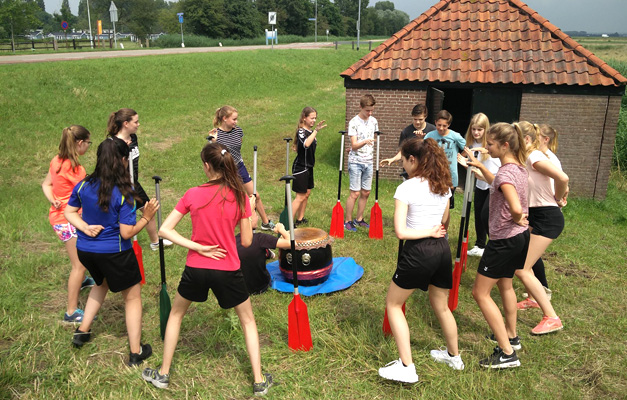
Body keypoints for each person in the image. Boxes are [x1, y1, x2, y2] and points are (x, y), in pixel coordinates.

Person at [142, 143, 273, 396]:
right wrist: (250, 216)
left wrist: (197, 247)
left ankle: (163, 374)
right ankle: (259, 381)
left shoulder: (192, 194)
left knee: (176, 315)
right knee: (247, 321)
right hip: (228, 268)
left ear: (206, 166)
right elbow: (247, 241)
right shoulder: (240, 196)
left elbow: (164, 230)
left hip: (196, 267)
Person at [65, 137, 158, 367]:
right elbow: (127, 233)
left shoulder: (83, 185)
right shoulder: (125, 193)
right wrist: (146, 217)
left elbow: (69, 212)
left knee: (101, 284)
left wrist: (84, 228)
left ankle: (82, 332)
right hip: (115, 253)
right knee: (132, 298)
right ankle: (136, 352)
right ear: (124, 160)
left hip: (85, 250)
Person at [378, 137, 463, 385]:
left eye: (403, 161)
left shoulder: (406, 188)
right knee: (442, 306)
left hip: (419, 251)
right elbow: (444, 221)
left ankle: (407, 367)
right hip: (442, 250)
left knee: (393, 304)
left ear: (413, 160)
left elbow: (401, 232)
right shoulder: (443, 185)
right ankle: (454, 357)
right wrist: (433, 230)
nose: (403, 165)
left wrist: (427, 231)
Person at [466, 122, 529, 369]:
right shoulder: (517, 168)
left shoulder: (505, 172)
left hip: (503, 240)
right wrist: (481, 167)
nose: (487, 147)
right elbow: (501, 186)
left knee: (479, 293)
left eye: (490, 144)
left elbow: (515, 206)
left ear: (504, 145)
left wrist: (516, 215)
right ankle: (511, 336)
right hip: (518, 238)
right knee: (505, 284)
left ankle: (506, 353)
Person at [514, 122, 567, 335]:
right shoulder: (527, 157)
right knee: (524, 257)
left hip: (547, 217)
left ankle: (552, 317)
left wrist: (558, 197)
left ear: (526, 140)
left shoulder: (534, 156)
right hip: (536, 215)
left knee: (521, 268)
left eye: (515, 139)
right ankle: (533, 298)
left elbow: (562, 177)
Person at [42, 125, 96, 323]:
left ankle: (82, 281)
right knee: (78, 265)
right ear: (80, 143)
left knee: (81, 258)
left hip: (58, 217)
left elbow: (46, 184)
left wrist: (53, 199)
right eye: (88, 143)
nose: (88, 146)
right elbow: (87, 194)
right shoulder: (75, 169)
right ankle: (71, 312)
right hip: (68, 220)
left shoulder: (56, 161)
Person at [107, 108, 172, 251]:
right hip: (119, 185)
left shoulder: (133, 138)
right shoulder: (112, 144)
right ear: (126, 123)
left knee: (149, 210)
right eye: (135, 122)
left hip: (133, 183)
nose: (138, 124)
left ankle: (155, 242)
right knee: (119, 217)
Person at [210, 105, 275, 231]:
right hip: (225, 170)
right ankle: (225, 226)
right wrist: (213, 142)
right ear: (224, 118)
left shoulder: (238, 130)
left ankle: (266, 223)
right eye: (234, 119)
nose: (236, 122)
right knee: (228, 199)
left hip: (239, 166)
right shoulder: (216, 134)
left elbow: (238, 146)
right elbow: (213, 154)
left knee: (255, 195)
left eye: (236, 119)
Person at [456, 113, 500, 257]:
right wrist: (465, 164)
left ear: (486, 129)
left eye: (479, 130)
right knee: (479, 214)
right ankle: (480, 245)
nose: (476, 132)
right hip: (480, 183)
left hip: (493, 182)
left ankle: (494, 244)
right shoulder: (471, 144)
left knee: (487, 215)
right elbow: (469, 163)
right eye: (474, 129)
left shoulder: (491, 144)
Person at [344, 94, 378, 232]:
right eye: (367, 110)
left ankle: (359, 219)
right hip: (356, 162)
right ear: (360, 107)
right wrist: (364, 142)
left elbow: (374, 139)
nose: (369, 113)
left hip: (369, 161)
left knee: (366, 192)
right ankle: (347, 221)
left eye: (371, 110)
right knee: (355, 193)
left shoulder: (374, 121)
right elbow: (354, 145)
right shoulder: (353, 122)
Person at [291, 106, 327, 225]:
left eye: (315, 118)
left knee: (306, 194)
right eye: (312, 118)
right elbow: (306, 144)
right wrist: (316, 131)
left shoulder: (310, 132)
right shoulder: (301, 131)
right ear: (304, 118)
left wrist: (314, 132)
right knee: (300, 197)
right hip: (301, 167)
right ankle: (288, 223)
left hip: (309, 167)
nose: (314, 120)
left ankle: (300, 219)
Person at [236, 217, 290, 295]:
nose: (257, 217)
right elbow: (291, 244)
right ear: (249, 219)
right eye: (255, 213)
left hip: (240, 288)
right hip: (261, 286)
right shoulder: (260, 238)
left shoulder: (232, 241)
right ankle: (267, 252)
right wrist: (281, 229)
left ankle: (267, 253)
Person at [425, 110, 465, 211]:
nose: (441, 128)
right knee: (433, 203)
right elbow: (423, 150)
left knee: (447, 205)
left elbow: (467, 148)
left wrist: (460, 157)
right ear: (435, 122)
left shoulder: (455, 136)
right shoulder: (430, 136)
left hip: (450, 176)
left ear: (449, 125)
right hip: (434, 174)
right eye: (439, 125)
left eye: (444, 126)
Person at [380, 104, 436, 175]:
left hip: (426, 170)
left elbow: (434, 150)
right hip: (409, 171)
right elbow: (403, 151)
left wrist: (422, 139)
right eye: (415, 119)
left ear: (425, 116)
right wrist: (392, 159)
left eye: (420, 119)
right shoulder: (406, 131)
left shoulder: (432, 130)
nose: (417, 122)